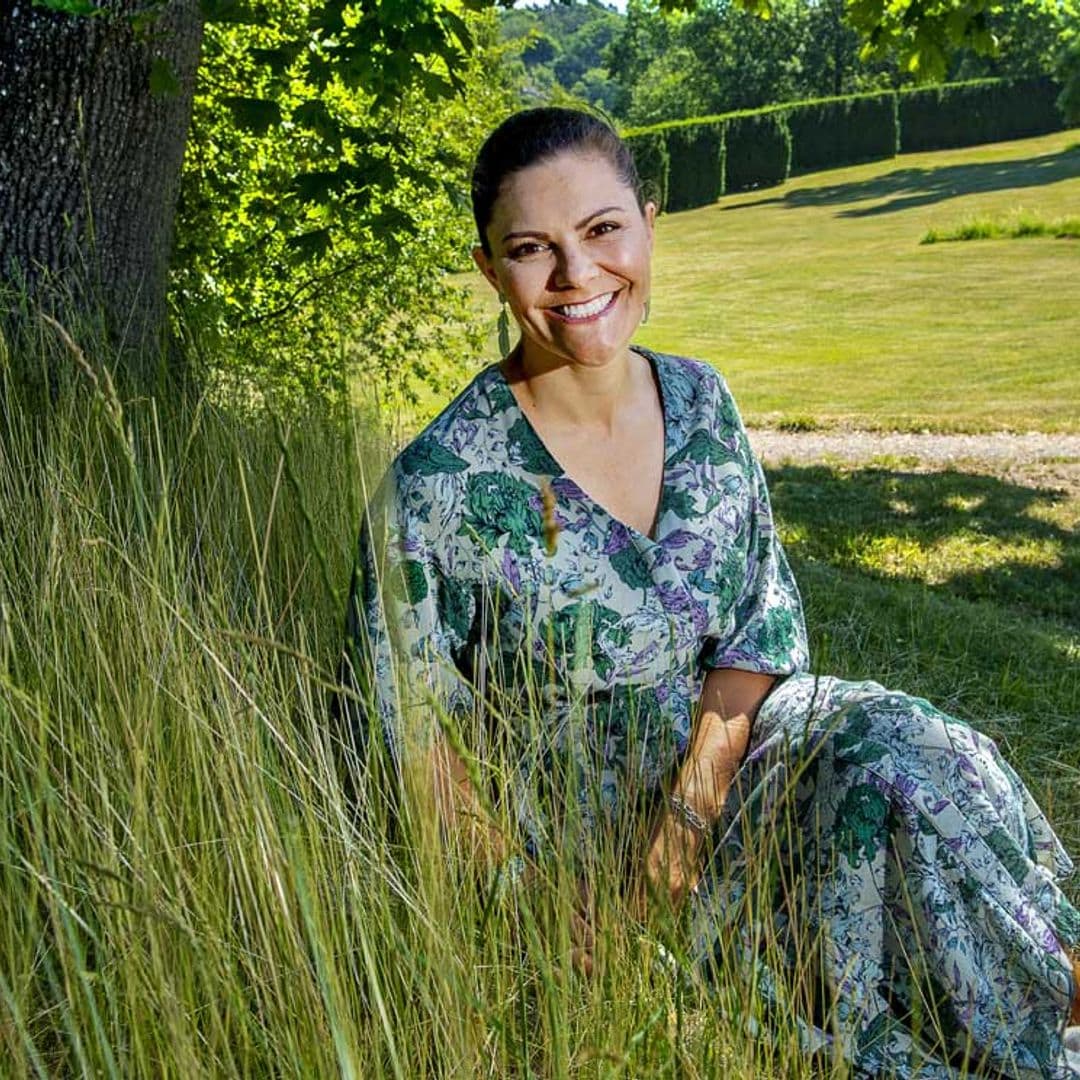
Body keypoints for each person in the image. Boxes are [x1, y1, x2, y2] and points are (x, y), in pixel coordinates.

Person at [339, 107, 1080, 1078]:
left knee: (903, 744)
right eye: (532, 248)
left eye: (603, 230)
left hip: (737, 776)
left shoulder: (701, 403)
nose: (576, 275)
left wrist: (688, 823)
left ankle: (1058, 992)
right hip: (588, 859)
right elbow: (414, 736)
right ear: (490, 269)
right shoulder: (438, 488)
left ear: (649, 224)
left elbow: (756, 639)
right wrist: (539, 912)